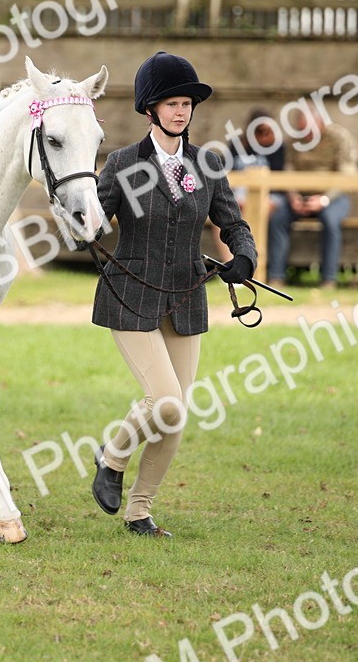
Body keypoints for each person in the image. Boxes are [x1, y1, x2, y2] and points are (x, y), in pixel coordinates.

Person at [90, 51, 257, 539]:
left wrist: (243, 256)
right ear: (151, 110)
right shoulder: (123, 163)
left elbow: (233, 221)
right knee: (164, 402)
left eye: (186, 103)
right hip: (131, 295)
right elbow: (93, 222)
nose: (181, 111)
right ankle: (113, 455)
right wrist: (84, 223)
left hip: (185, 296)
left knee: (176, 415)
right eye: (171, 103)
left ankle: (139, 510)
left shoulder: (206, 164)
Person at [266, 110, 357, 289]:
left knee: (331, 221)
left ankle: (329, 279)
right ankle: (276, 277)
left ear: (321, 124)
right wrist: (293, 197)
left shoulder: (340, 138)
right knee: (277, 220)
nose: (306, 135)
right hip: (300, 197)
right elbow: (289, 171)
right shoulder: (294, 141)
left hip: (332, 197)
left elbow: (348, 175)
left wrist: (324, 199)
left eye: (309, 130)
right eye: (302, 130)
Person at [213, 108, 286, 261]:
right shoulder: (237, 145)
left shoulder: (277, 147)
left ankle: (254, 264)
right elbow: (226, 176)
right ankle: (229, 264)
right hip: (238, 195)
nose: (264, 136)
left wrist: (265, 202)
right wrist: (236, 200)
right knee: (219, 220)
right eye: (260, 131)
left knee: (257, 216)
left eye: (268, 131)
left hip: (269, 196)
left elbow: (278, 181)